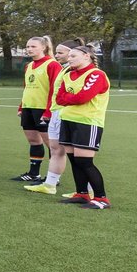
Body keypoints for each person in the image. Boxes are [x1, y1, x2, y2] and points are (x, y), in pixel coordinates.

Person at [53, 45, 111, 209]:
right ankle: (81, 194)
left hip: (88, 122)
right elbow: (59, 99)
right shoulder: (69, 75)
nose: (69, 59)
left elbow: (83, 98)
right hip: (68, 120)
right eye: (69, 56)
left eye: (73, 56)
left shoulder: (96, 74)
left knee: (84, 161)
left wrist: (70, 98)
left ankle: (101, 198)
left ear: (86, 56)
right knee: (74, 160)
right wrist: (72, 98)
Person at [25, 38, 81, 196]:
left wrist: (50, 110)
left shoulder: (83, 72)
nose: (56, 55)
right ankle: (50, 184)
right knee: (56, 149)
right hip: (57, 113)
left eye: (60, 52)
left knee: (78, 153)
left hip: (72, 116)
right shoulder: (65, 69)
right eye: (56, 52)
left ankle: (87, 190)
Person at [14, 36, 63, 182]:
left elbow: (55, 89)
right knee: (33, 141)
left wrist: (48, 111)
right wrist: (22, 106)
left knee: (52, 145)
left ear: (43, 47)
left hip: (43, 110)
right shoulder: (28, 66)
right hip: (29, 108)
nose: (29, 49)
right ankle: (33, 173)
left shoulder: (52, 64)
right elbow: (26, 88)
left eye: (33, 46)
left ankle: (53, 177)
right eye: (27, 47)